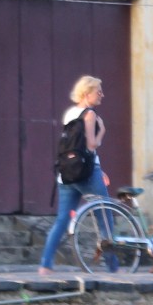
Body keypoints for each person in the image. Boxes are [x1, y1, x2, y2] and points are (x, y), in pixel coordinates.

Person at [40, 75, 119, 274]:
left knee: (62, 220)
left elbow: (76, 146)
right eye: (98, 91)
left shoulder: (69, 114)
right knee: (105, 219)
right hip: (88, 174)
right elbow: (92, 145)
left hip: (66, 174)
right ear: (86, 93)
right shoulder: (90, 115)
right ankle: (113, 268)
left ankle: (45, 264)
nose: (102, 95)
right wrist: (102, 131)